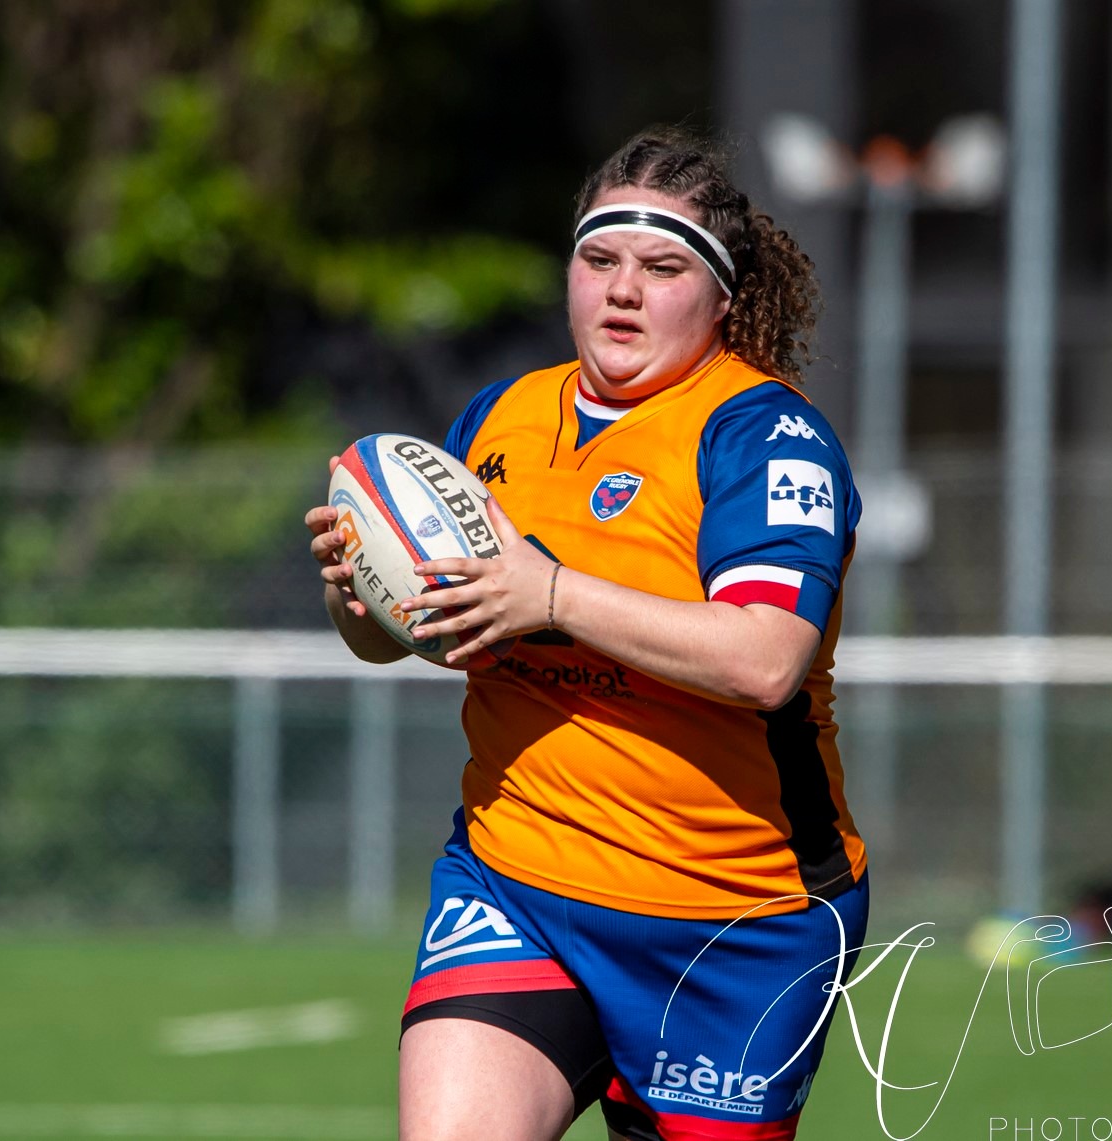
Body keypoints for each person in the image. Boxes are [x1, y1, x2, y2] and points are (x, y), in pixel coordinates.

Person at [304, 125, 868, 1141]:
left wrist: (552, 594)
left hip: (731, 922)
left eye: (661, 268)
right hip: (518, 880)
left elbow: (766, 658)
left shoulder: (763, 438)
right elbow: (416, 641)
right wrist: (366, 600)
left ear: (723, 297)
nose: (622, 291)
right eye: (599, 260)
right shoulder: (499, 419)